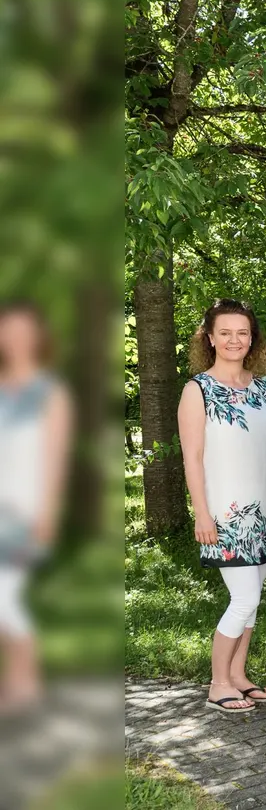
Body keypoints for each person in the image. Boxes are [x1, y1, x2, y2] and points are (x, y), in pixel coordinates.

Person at [178, 300, 266, 714]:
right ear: (209, 338)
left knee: (254, 597)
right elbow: (192, 457)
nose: (234, 340)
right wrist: (201, 513)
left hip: (263, 512)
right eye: (225, 332)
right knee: (242, 598)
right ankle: (218, 683)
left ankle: (239, 675)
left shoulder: (265, 386)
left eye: (242, 332)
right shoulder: (197, 390)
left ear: (252, 338)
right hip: (225, 515)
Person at [0, 302, 69, 714]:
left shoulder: (51, 391)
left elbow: (56, 457)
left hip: (27, 510)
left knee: (6, 596)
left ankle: (25, 682)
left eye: (26, 331)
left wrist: (48, 513)